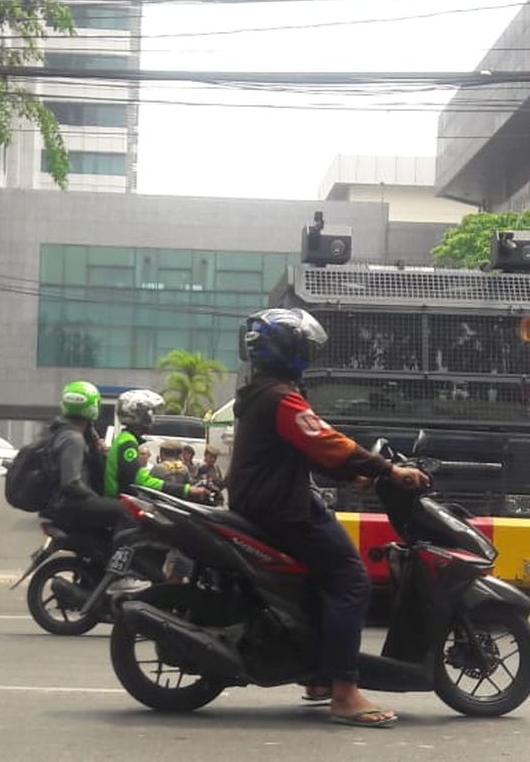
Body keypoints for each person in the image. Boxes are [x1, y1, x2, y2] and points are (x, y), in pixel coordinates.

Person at [229, 307, 430, 729]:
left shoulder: (260, 393)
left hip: (264, 502)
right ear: (290, 350)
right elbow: (325, 440)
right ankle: (344, 691)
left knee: (323, 579)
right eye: (305, 346)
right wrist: (388, 470)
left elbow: (306, 451)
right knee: (351, 578)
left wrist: (355, 473)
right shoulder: (281, 398)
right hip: (283, 509)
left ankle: (319, 677)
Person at [46, 381, 126, 533]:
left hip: (63, 502)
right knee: (127, 511)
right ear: (93, 407)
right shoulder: (73, 439)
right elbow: (71, 483)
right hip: (71, 504)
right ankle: (122, 555)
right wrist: (95, 498)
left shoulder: (66, 432)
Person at [104, 390, 206, 502]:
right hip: (121, 506)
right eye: (148, 413)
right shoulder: (128, 444)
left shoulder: (126, 439)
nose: (151, 418)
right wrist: (186, 490)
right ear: (136, 416)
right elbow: (140, 481)